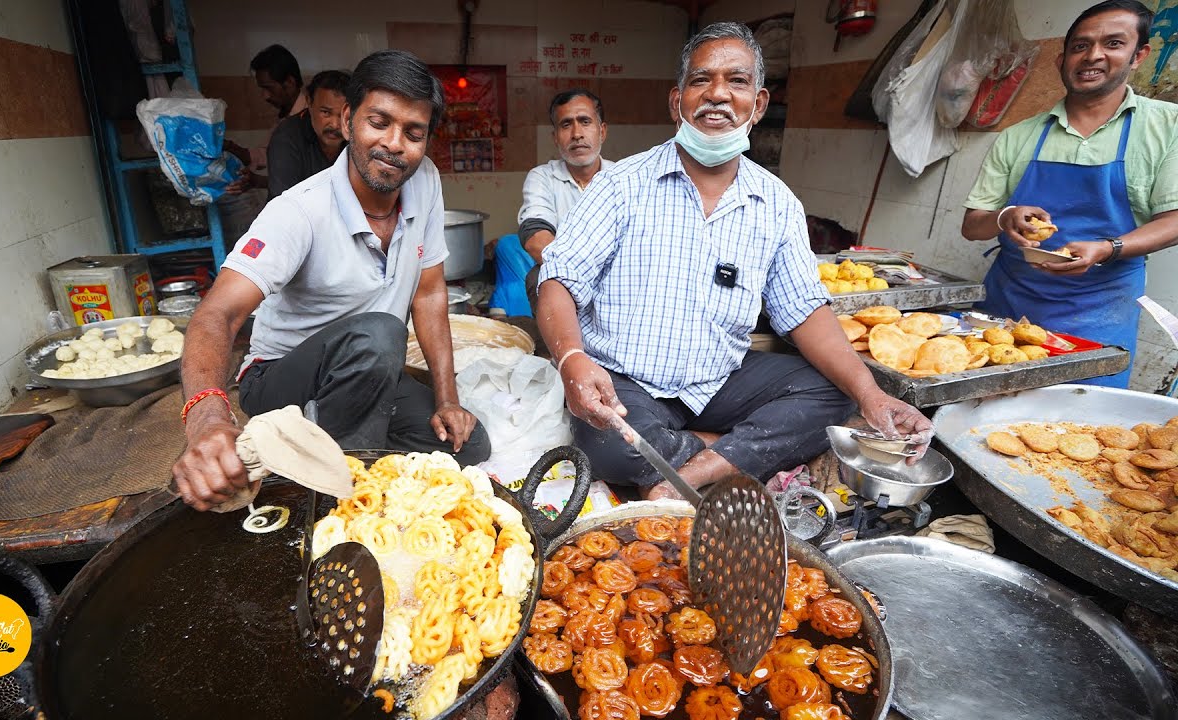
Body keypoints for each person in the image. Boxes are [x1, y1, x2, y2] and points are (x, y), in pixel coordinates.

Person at [536, 22, 932, 500]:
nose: (718, 94)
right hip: (627, 379)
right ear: (676, 101)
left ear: (758, 104)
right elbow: (558, 279)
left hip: (717, 380)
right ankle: (733, 452)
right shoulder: (621, 185)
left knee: (837, 391)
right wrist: (573, 360)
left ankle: (693, 470)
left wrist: (872, 396)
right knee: (611, 445)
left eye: (737, 81)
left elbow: (805, 310)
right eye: (701, 80)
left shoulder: (776, 202)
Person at [173, 49, 489, 512]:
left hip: (366, 368)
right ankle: (344, 501)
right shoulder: (299, 211)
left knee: (467, 447)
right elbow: (219, 313)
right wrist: (206, 419)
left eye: (413, 133)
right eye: (379, 122)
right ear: (346, 121)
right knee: (382, 332)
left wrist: (448, 399)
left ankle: (324, 447)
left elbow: (429, 291)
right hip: (280, 378)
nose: (395, 144)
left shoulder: (425, 182)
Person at [961, 0, 1178, 388]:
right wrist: (1003, 217)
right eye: (1080, 45)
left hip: (1101, 314)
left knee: (1076, 431)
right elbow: (972, 225)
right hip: (1008, 308)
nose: (1093, 55)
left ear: (1138, 55)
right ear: (1061, 58)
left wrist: (1108, 247)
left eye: (1113, 43)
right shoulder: (1019, 136)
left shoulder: (1168, 127)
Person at [492, 90, 613, 317]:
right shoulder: (543, 177)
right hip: (566, 282)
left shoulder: (624, 177)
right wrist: (582, 274)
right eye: (566, 125)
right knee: (538, 276)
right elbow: (535, 238)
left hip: (617, 283)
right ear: (555, 137)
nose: (577, 134)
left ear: (602, 131)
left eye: (585, 122)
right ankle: (558, 351)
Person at [224, 44, 310, 193]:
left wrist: (258, 181)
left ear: (289, 83)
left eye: (268, 88)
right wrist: (230, 147)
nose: (265, 96)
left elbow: (306, 178)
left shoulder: (308, 119)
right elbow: (264, 155)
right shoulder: (286, 117)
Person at [267, 70, 351, 200]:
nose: (335, 124)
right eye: (326, 112)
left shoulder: (358, 135)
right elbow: (284, 203)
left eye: (343, 115)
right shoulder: (287, 137)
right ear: (309, 103)